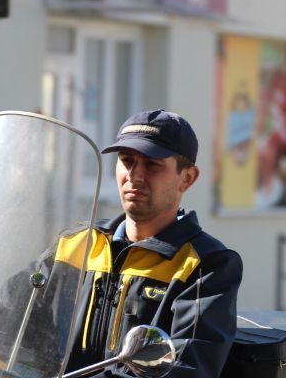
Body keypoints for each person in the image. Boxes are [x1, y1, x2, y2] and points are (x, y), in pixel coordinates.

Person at [61, 109, 243, 378]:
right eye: (127, 161)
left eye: (152, 165)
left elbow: (186, 369)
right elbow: (10, 314)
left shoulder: (206, 265)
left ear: (187, 178)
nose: (135, 175)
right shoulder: (76, 245)